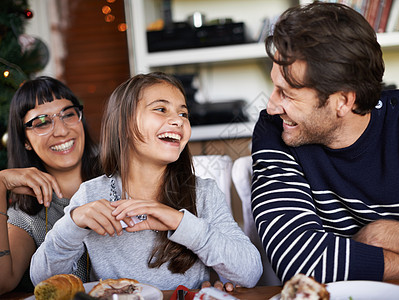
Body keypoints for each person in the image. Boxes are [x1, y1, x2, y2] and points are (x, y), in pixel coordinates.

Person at [251, 2, 399, 284]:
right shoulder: (275, 131)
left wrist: (386, 234)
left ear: (343, 101)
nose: (271, 106)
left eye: (287, 94)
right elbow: (297, 263)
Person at [30, 72, 262, 290]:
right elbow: (43, 281)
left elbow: (250, 273)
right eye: (161, 109)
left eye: (183, 114)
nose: (178, 121)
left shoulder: (202, 192)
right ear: (124, 125)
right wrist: (73, 223)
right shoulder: (91, 194)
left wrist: (179, 222)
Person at [0, 76, 101, 294]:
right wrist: (0, 183)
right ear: (25, 141)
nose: (62, 131)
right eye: (42, 123)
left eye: (68, 115)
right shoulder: (26, 216)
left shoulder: (121, 178)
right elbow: (2, 282)